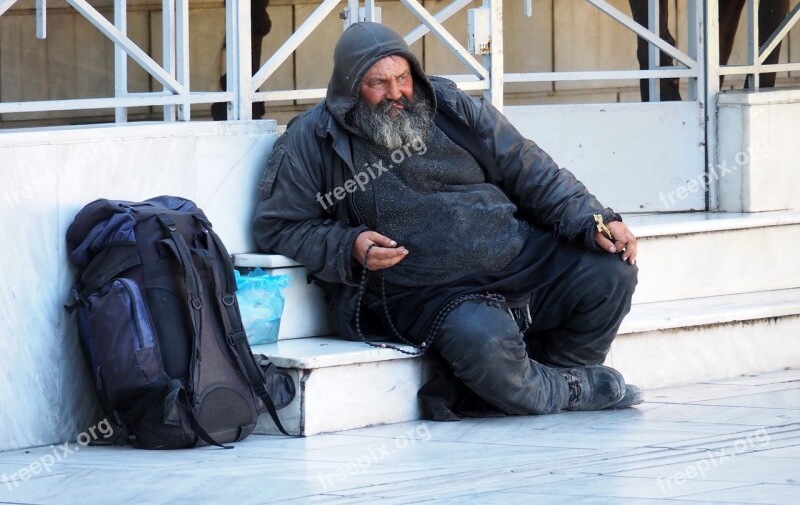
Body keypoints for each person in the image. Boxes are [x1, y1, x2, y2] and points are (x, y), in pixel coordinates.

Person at [253, 22, 643, 416]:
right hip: (425, 292)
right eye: (378, 84)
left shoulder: (452, 106)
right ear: (350, 87)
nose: (395, 94)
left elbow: (530, 169)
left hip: (516, 256)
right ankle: (572, 390)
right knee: (482, 340)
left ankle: (561, 375)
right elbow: (278, 226)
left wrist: (595, 218)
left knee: (610, 272)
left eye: (402, 78)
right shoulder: (312, 139)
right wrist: (346, 244)